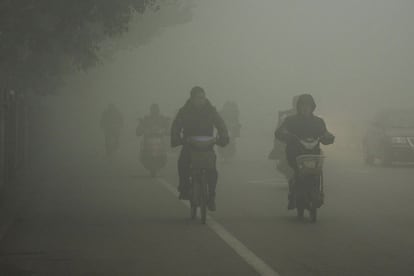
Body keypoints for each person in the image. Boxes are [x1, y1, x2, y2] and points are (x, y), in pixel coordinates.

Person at [171, 86, 229, 211]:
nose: (201, 100)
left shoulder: (211, 110)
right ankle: (184, 188)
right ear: (191, 98)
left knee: (212, 171)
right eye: (198, 98)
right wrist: (176, 138)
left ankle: (211, 196)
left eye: (203, 97)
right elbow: (176, 126)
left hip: (207, 146)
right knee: (182, 163)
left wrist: (223, 136)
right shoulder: (184, 111)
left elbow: (221, 124)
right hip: (189, 145)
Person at [275, 94, 334, 209]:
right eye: (302, 105)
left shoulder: (318, 121)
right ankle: (294, 192)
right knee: (296, 171)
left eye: (308, 105)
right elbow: (279, 132)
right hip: (295, 154)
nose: (305, 108)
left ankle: (317, 193)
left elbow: (325, 133)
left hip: (314, 154)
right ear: (298, 106)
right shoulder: (290, 120)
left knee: (318, 171)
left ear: (312, 107)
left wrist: (328, 137)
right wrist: (286, 136)